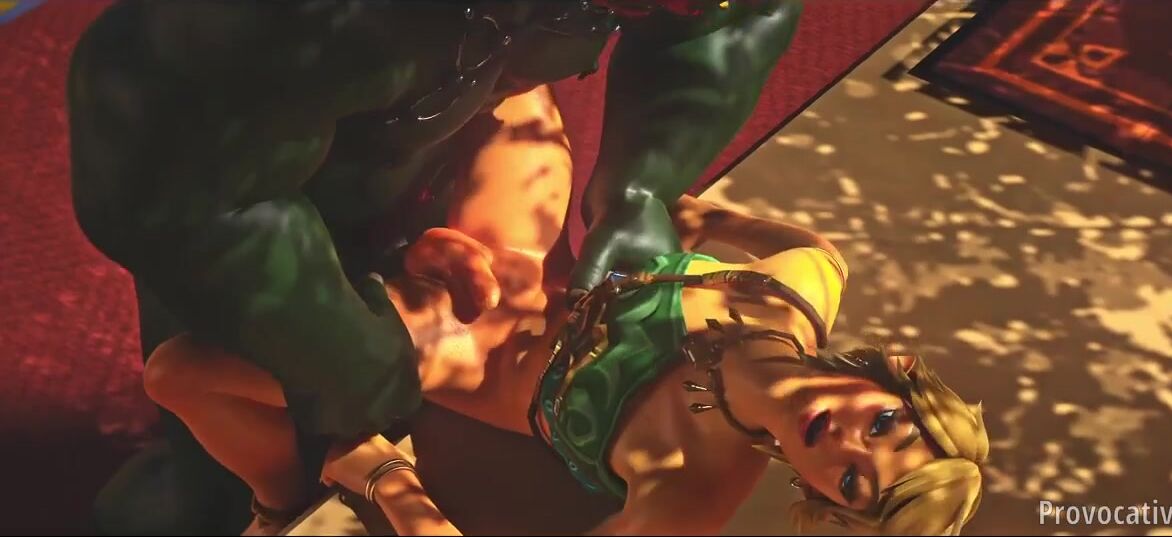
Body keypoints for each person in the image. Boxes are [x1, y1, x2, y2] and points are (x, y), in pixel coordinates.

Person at [68, 0, 804, 532]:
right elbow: (174, 189)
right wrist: (350, 364)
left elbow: (735, 17)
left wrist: (643, 178)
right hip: (236, 194)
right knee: (219, 436)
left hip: (445, 177)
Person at [142, 82, 990, 536]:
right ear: (895, 378)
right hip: (518, 261)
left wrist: (384, 479)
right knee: (509, 76)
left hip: (449, 351)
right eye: (885, 424)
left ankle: (274, 492)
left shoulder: (693, 494)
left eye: (854, 481)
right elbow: (810, 245)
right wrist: (688, 211)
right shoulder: (795, 287)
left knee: (177, 373)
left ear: (824, 498)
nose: (847, 443)